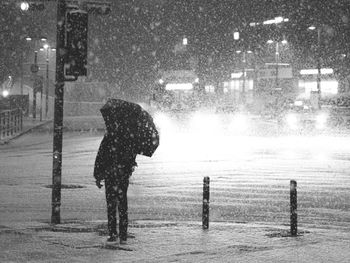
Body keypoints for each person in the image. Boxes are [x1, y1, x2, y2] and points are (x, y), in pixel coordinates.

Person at [94, 122, 137, 244]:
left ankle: (113, 233)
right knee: (122, 204)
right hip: (122, 175)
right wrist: (129, 168)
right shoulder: (128, 137)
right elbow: (131, 157)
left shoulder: (109, 137)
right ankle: (123, 234)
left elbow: (100, 156)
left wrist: (98, 175)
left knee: (111, 205)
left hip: (110, 175)